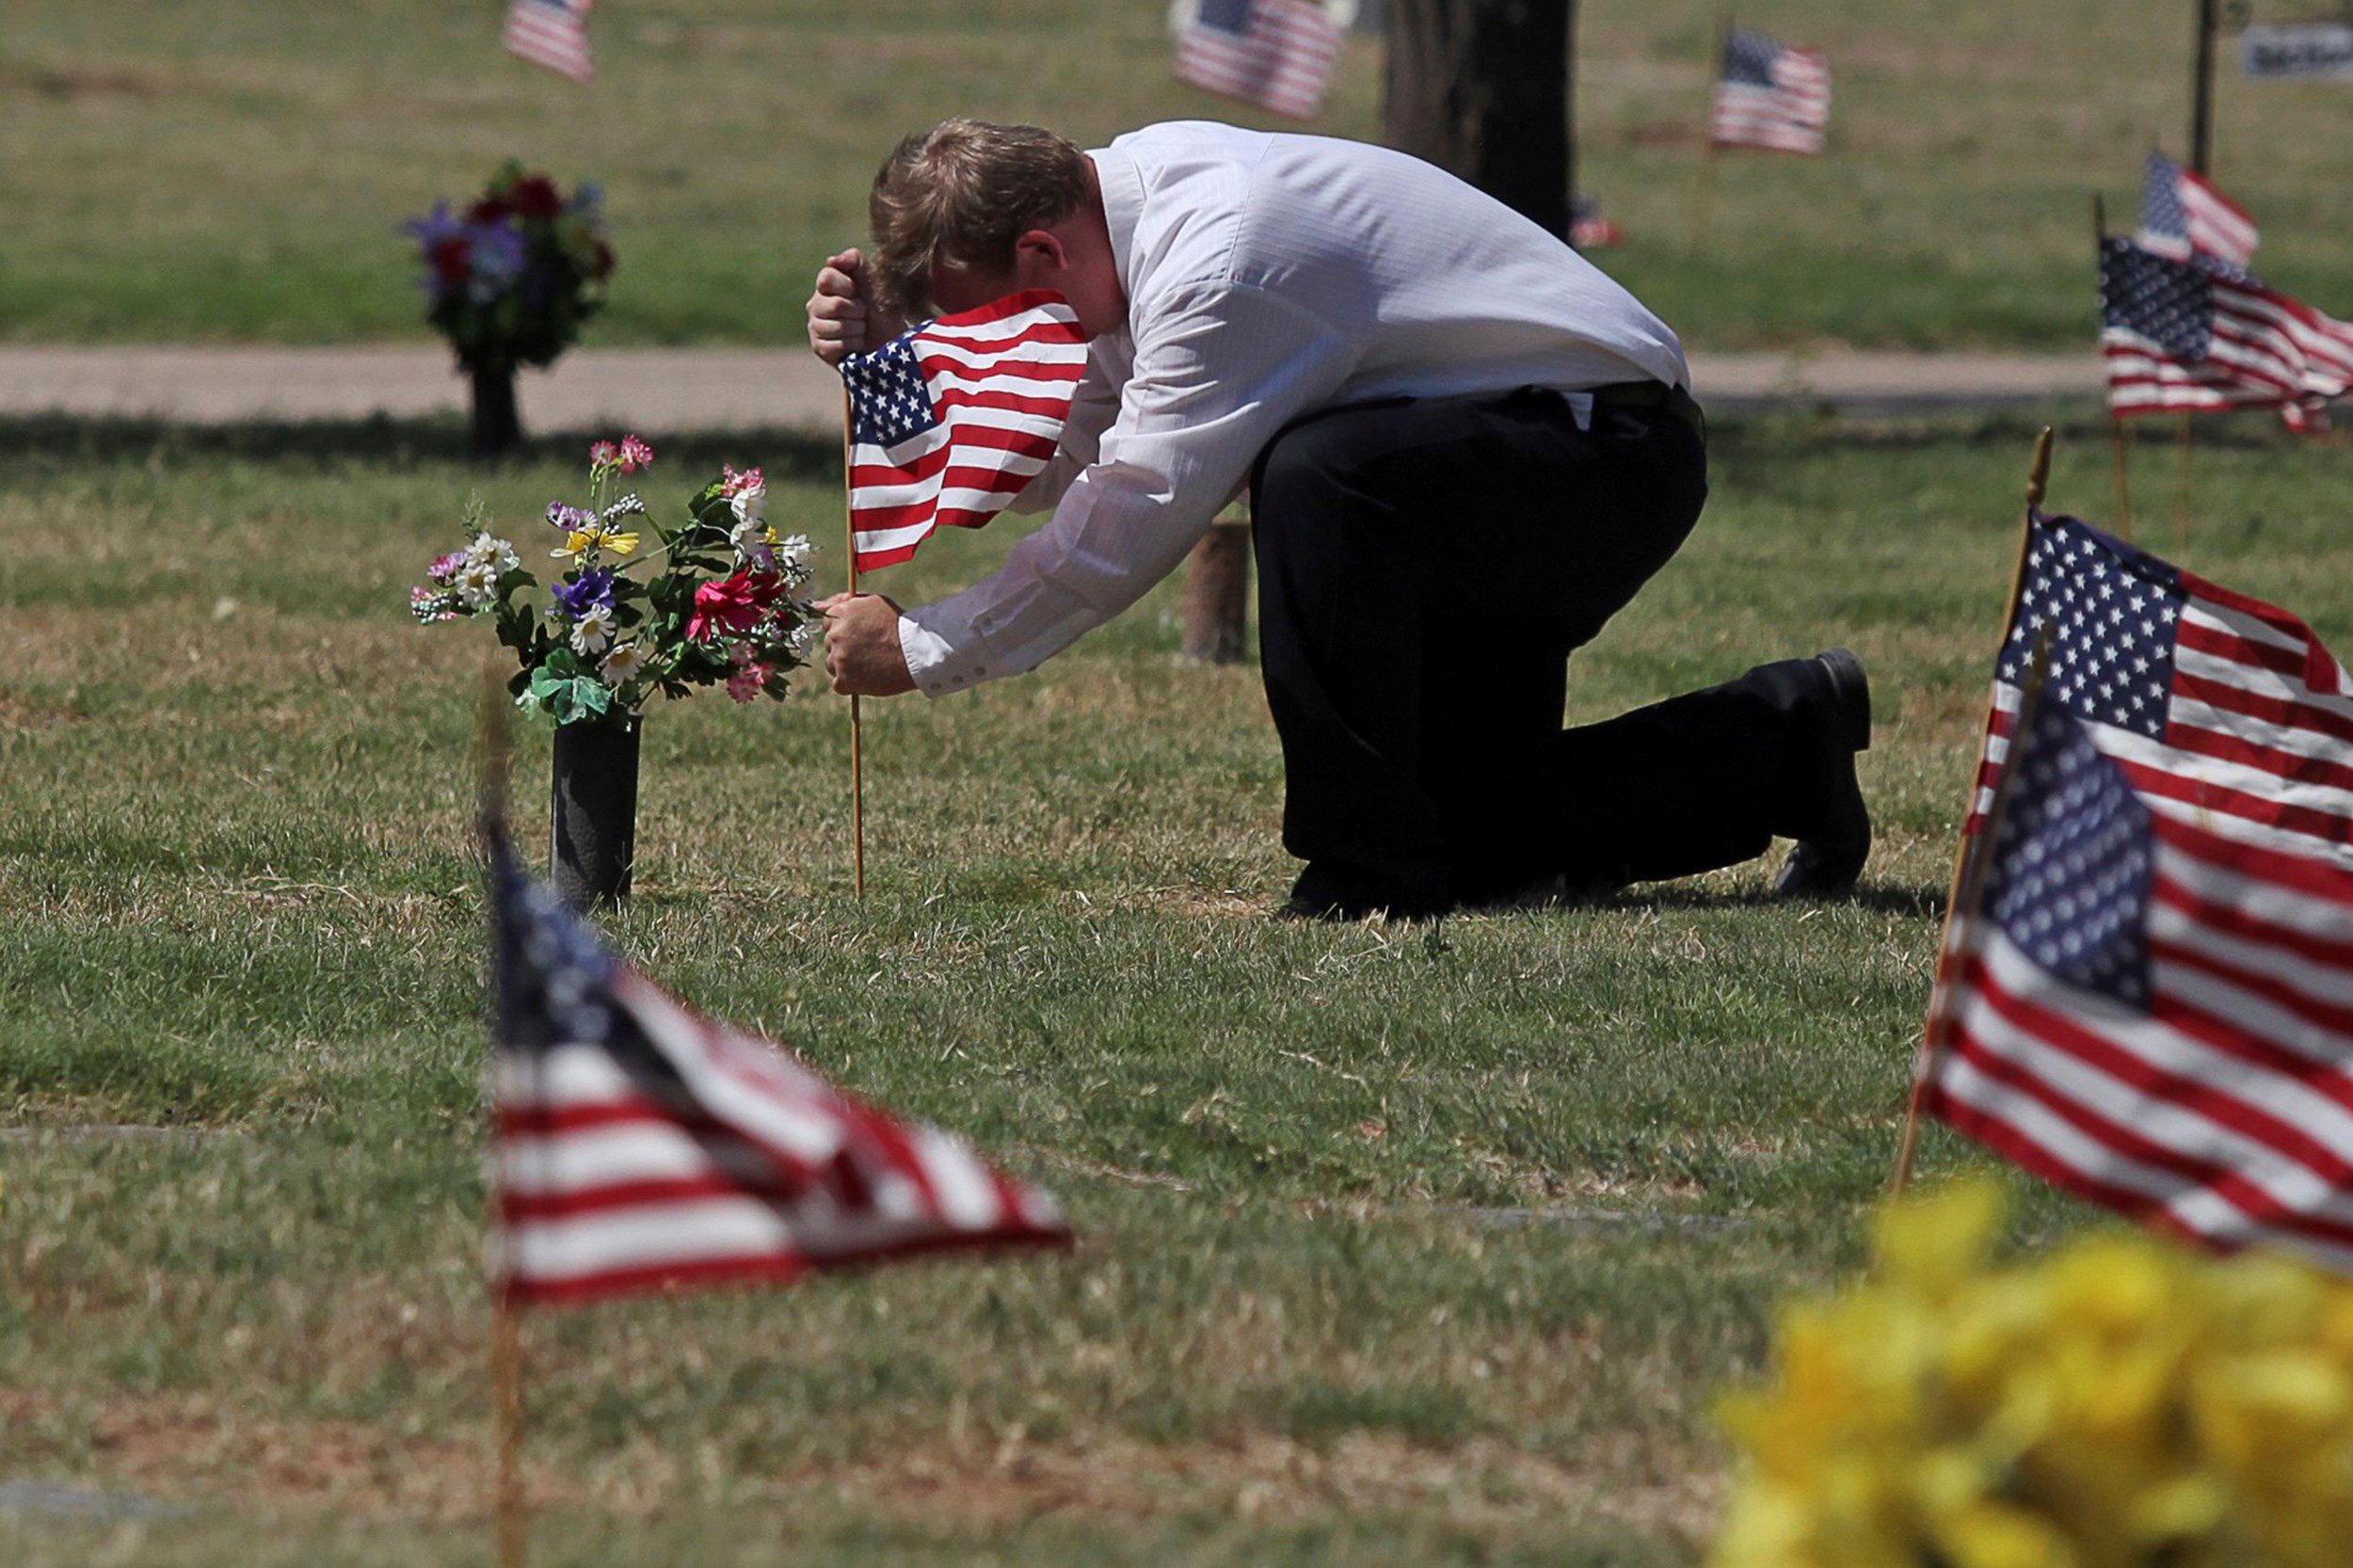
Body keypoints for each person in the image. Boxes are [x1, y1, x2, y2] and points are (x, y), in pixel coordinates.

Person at [807, 119, 1871, 919]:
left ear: (1040, 252)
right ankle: (1788, 737)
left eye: (988, 320)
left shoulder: (1219, 261)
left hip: (1603, 455)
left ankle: (1364, 867)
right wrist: (888, 362)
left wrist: (924, 647)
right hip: (1498, 460)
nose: (1007, 346)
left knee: (1315, 474)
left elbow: (1126, 521)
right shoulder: (1118, 225)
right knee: (1478, 836)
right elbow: (1058, 453)